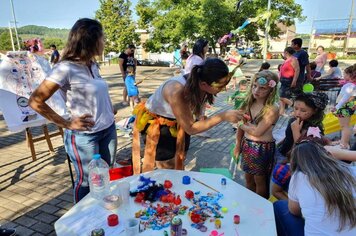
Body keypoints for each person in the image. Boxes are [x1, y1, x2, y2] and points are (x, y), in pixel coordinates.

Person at [29, 18, 117, 203]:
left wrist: (108, 107)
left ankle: (101, 218)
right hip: (85, 137)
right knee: (87, 182)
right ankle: (83, 226)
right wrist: (66, 123)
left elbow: (94, 91)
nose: (104, 42)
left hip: (108, 130)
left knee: (105, 176)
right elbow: (35, 101)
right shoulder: (65, 68)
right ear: (90, 40)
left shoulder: (93, 65)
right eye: (102, 38)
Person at [131, 58, 243, 174]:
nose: (224, 89)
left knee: (180, 158)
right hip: (159, 124)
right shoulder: (176, 90)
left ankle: (178, 182)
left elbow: (193, 117)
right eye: (221, 86)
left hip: (178, 121)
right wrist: (222, 116)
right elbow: (191, 128)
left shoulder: (200, 83)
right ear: (204, 84)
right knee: (167, 166)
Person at [274, 141, 356, 236]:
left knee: (279, 205)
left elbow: (294, 211)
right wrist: (344, 154)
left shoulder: (297, 178)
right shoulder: (351, 172)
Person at [234, 70, 280, 199]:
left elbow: (258, 132)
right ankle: (250, 202)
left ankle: (261, 207)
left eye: (262, 88)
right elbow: (242, 129)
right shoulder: (249, 102)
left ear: (271, 90)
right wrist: (238, 145)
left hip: (262, 148)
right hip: (247, 145)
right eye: (254, 86)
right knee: (248, 179)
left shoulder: (272, 108)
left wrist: (240, 124)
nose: (256, 90)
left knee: (260, 181)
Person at [276, 92, 329, 163]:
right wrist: (279, 144)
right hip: (282, 152)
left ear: (315, 111)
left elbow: (303, 149)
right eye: (295, 108)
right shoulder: (293, 120)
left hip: (294, 159)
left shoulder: (314, 128)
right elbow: (288, 137)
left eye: (303, 110)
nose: (297, 113)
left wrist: (296, 131)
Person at [330, 64, 356, 149]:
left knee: (344, 126)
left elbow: (344, 98)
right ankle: (343, 142)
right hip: (348, 106)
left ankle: (344, 144)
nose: (343, 75)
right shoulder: (352, 85)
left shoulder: (349, 85)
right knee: (346, 126)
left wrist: (337, 107)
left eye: (344, 74)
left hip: (344, 106)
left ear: (350, 75)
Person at [279, 47, 300, 116]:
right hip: (284, 80)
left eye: (284, 52)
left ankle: (295, 107)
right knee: (282, 96)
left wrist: (294, 81)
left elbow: (297, 70)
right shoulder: (287, 60)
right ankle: (281, 112)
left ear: (286, 52)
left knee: (281, 97)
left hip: (288, 80)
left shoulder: (293, 59)